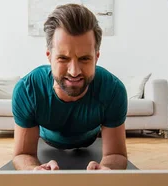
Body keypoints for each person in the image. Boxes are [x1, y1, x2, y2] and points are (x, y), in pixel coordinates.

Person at [11, 3, 128, 171]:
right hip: (48, 139)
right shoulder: (27, 90)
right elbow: (22, 154)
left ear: (96, 57)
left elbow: (116, 155)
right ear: (49, 57)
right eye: (63, 58)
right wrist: (32, 170)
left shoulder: (113, 90)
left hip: (90, 139)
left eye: (85, 59)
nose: (74, 71)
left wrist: (106, 170)